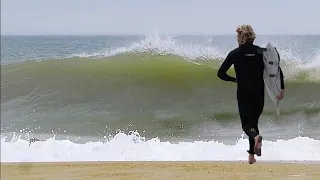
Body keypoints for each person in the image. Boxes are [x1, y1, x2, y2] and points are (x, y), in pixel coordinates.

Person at [217, 24, 285, 164]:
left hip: (244, 92)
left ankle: (255, 139)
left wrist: (234, 80)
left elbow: (220, 73)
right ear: (252, 36)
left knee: (246, 126)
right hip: (259, 92)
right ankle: (252, 156)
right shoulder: (262, 52)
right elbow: (276, 68)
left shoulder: (235, 53)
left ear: (240, 37)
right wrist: (281, 88)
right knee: (253, 122)